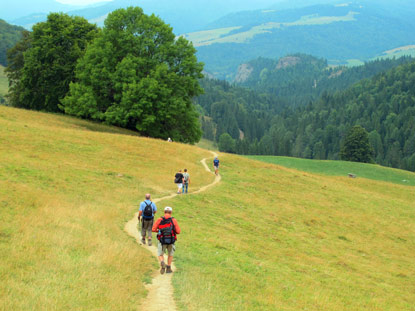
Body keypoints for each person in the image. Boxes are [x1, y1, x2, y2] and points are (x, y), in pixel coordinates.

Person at [152, 206, 181, 274]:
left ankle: (162, 262)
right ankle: (168, 268)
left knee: (160, 254)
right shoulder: (173, 220)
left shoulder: (160, 220)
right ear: (171, 212)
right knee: (170, 254)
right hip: (171, 240)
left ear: (164, 211)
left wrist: (160, 231)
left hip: (162, 240)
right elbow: (178, 231)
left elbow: (153, 229)